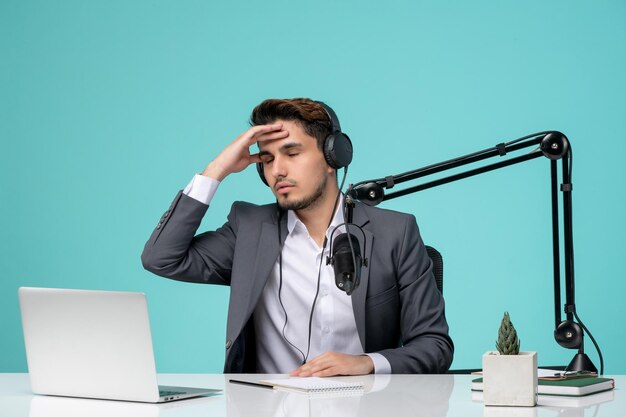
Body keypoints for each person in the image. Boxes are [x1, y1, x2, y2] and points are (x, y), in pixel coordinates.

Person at [141, 98, 453, 376]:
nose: (276, 170)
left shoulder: (395, 233)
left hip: (363, 407)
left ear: (334, 158)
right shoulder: (248, 229)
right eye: (267, 159)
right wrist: (215, 171)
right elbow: (161, 258)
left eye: (291, 152)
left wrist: (367, 363)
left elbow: (434, 345)